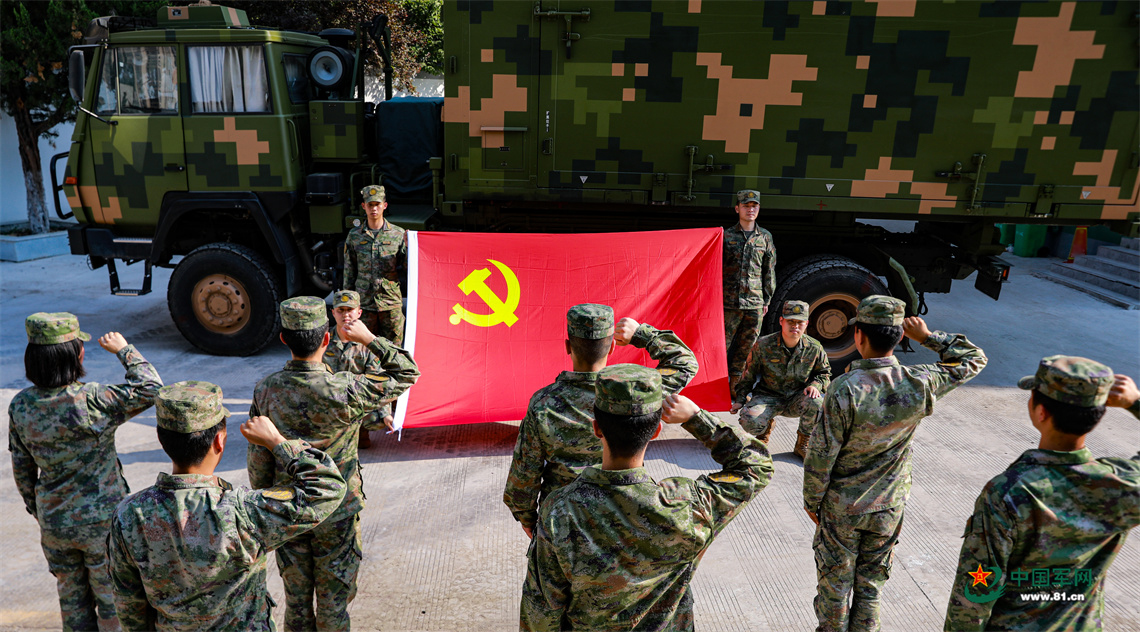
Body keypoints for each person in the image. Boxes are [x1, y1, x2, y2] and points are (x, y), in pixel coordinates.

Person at [520, 364, 773, 631]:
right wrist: (696, 418)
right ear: (655, 431)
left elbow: (541, 611)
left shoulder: (560, 511)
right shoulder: (687, 506)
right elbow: (755, 466)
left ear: (596, 428)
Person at [802, 296, 986, 632]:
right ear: (900, 336)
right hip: (888, 506)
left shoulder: (844, 389)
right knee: (871, 586)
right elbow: (973, 359)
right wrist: (928, 337)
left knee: (835, 587)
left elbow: (821, 455)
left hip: (843, 508)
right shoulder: (919, 381)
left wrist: (812, 500)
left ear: (858, 335)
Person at [109, 382, 347, 631]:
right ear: (219, 441)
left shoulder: (129, 515)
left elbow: (130, 607)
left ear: (161, 439)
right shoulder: (243, 511)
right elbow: (327, 488)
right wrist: (277, 442)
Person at [247, 296, 419, 631]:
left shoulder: (266, 390)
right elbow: (407, 372)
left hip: (289, 508)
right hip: (337, 511)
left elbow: (259, 457)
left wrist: (267, 504)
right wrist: (369, 338)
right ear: (327, 338)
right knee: (333, 604)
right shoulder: (346, 388)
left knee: (296, 602)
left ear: (283, 339)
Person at [943, 360, 1140, 631]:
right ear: (1098, 417)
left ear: (1041, 412)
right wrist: (1135, 403)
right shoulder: (1123, 485)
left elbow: (977, 591)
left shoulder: (1008, 492)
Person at [8, 312, 162, 631]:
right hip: (101, 523)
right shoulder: (92, 399)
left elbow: (22, 470)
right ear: (77, 354)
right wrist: (124, 350)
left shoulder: (21, 405)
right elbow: (151, 388)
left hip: (55, 522)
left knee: (72, 601)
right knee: (111, 601)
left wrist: (41, 510)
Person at [503, 304, 699, 538]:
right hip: (623, 516)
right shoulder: (636, 392)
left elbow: (524, 476)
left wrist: (528, 518)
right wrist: (641, 334)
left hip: (562, 521)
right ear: (613, 346)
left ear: (568, 346)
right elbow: (684, 362)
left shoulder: (543, 403)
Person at [731, 299, 830, 457]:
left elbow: (824, 373)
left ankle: (802, 443)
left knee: (817, 402)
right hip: (768, 397)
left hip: (797, 398)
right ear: (781, 321)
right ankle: (763, 432)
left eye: (800, 322)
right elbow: (748, 375)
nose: (795, 326)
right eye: (790, 321)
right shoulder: (763, 345)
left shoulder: (814, 348)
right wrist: (740, 399)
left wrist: (815, 385)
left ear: (806, 324)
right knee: (749, 420)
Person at [324, 290, 394, 449]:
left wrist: (386, 414)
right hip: (331, 399)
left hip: (357, 400)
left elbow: (378, 381)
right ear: (333, 313)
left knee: (376, 418)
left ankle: (360, 433)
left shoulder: (368, 344)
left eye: (350, 310)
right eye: (341, 310)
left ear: (359, 313)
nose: (345, 315)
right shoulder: (323, 341)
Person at [723, 189, 776, 391]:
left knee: (747, 348)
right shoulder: (726, 236)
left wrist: (766, 300)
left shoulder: (765, 237)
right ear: (737, 209)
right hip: (729, 302)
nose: (750, 209)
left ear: (758, 209)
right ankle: (715, 384)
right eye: (746, 206)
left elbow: (769, 270)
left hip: (754, 302)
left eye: (754, 206)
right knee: (722, 346)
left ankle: (736, 386)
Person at [342, 184, 408, 345]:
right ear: (363, 206)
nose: (374, 209)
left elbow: (410, 269)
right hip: (364, 304)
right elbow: (349, 272)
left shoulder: (398, 235)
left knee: (393, 350)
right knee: (363, 349)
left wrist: (409, 248)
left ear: (384, 205)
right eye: (370, 204)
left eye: (377, 204)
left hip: (390, 304)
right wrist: (347, 306)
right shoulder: (355, 236)